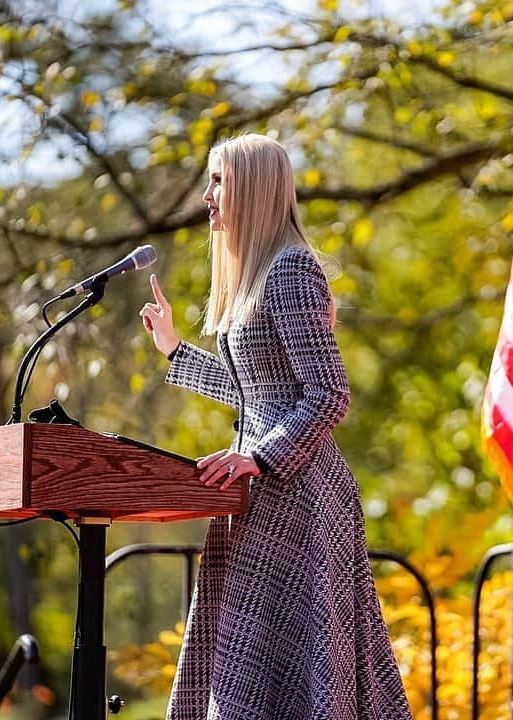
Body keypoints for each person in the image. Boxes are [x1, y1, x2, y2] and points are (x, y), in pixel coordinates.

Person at [140, 134, 413, 720]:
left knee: (301, 684)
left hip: (303, 506)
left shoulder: (290, 271)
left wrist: (259, 458)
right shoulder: (260, 274)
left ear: (253, 190)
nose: (207, 196)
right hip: (258, 502)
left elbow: (329, 395)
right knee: (246, 679)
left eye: (219, 182)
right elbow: (256, 393)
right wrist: (173, 350)